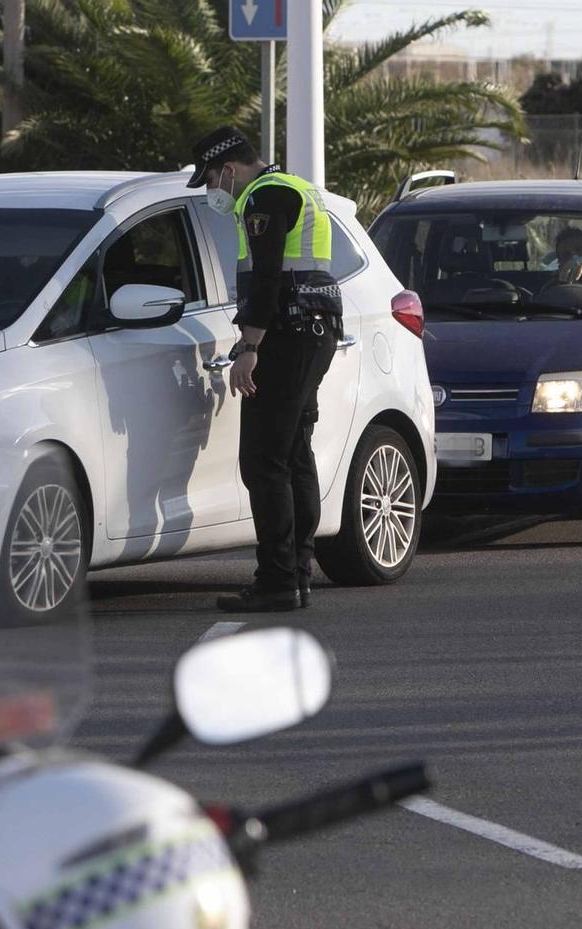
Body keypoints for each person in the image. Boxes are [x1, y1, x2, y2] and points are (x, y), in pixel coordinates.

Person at [189, 127, 344, 614]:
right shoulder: (296, 187)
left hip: (286, 335)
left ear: (229, 169)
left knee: (264, 461)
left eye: (212, 179)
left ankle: (277, 580)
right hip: (313, 331)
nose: (213, 189)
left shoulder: (263, 197)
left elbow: (269, 273)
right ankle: (296, 574)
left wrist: (250, 345)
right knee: (295, 455)